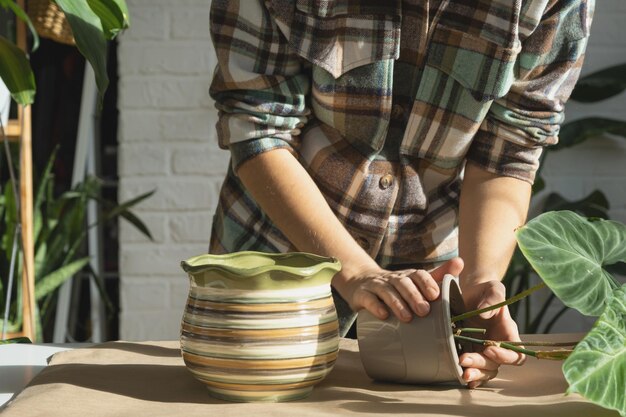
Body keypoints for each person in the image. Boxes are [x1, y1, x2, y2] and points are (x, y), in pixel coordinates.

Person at [207, 0, 594, 388]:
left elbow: (511, 147)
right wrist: (356, 272)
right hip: (279, 264)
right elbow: (259, 125)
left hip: (428, 294)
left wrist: (478, 285)